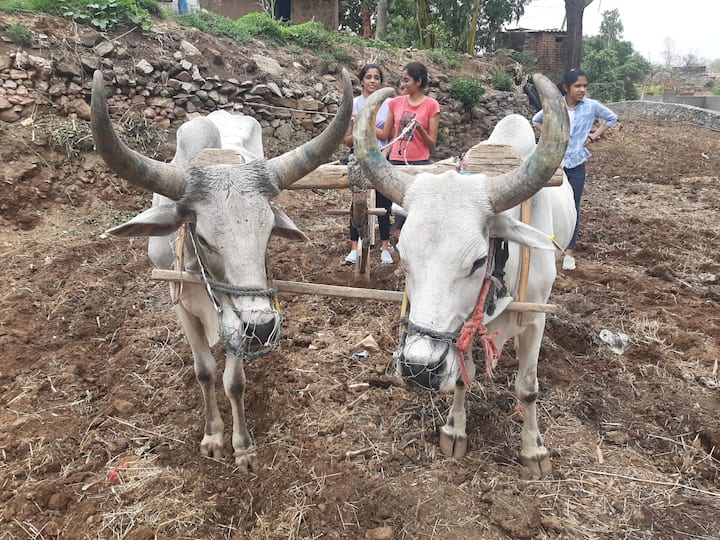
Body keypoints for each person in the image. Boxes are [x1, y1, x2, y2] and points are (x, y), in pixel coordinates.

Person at [532, 68, 617, 271]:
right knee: (549, 203)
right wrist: (552, 136)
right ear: (566, 88)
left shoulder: (591, 106)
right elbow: (536, 121)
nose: (582, 90)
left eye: (585, 86)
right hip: (555, 163)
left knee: (573, 206)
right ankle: (548, 243)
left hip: (576, 164)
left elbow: (612, 118)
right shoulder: (556, 105)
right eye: (577, 86)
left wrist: (592, 137)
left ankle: (569, 251)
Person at [342, 63, 394, 266]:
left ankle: (385, 247)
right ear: (361, 81)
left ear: (381, 82)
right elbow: (347, 140)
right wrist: (355, 123)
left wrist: (364, 121)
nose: (373, 81)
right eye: (369, 77)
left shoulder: (388, 104)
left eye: (377, 77)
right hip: (358, 158)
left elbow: (387, 135)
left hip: (381, 156)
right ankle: (353, 248)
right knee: (357, 202)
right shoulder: (353, 104)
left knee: (384, 203)